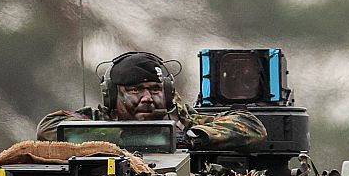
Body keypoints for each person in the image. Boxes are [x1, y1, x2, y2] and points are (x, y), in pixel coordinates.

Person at [37, 51, 267, 150]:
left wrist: (191, 138)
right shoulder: (96, 120)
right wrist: (117, 137)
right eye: (135, 90)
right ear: (113, 95)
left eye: (155, 89)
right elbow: (48, 127)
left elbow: (251, 126)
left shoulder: (183, 121)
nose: (147, 98)